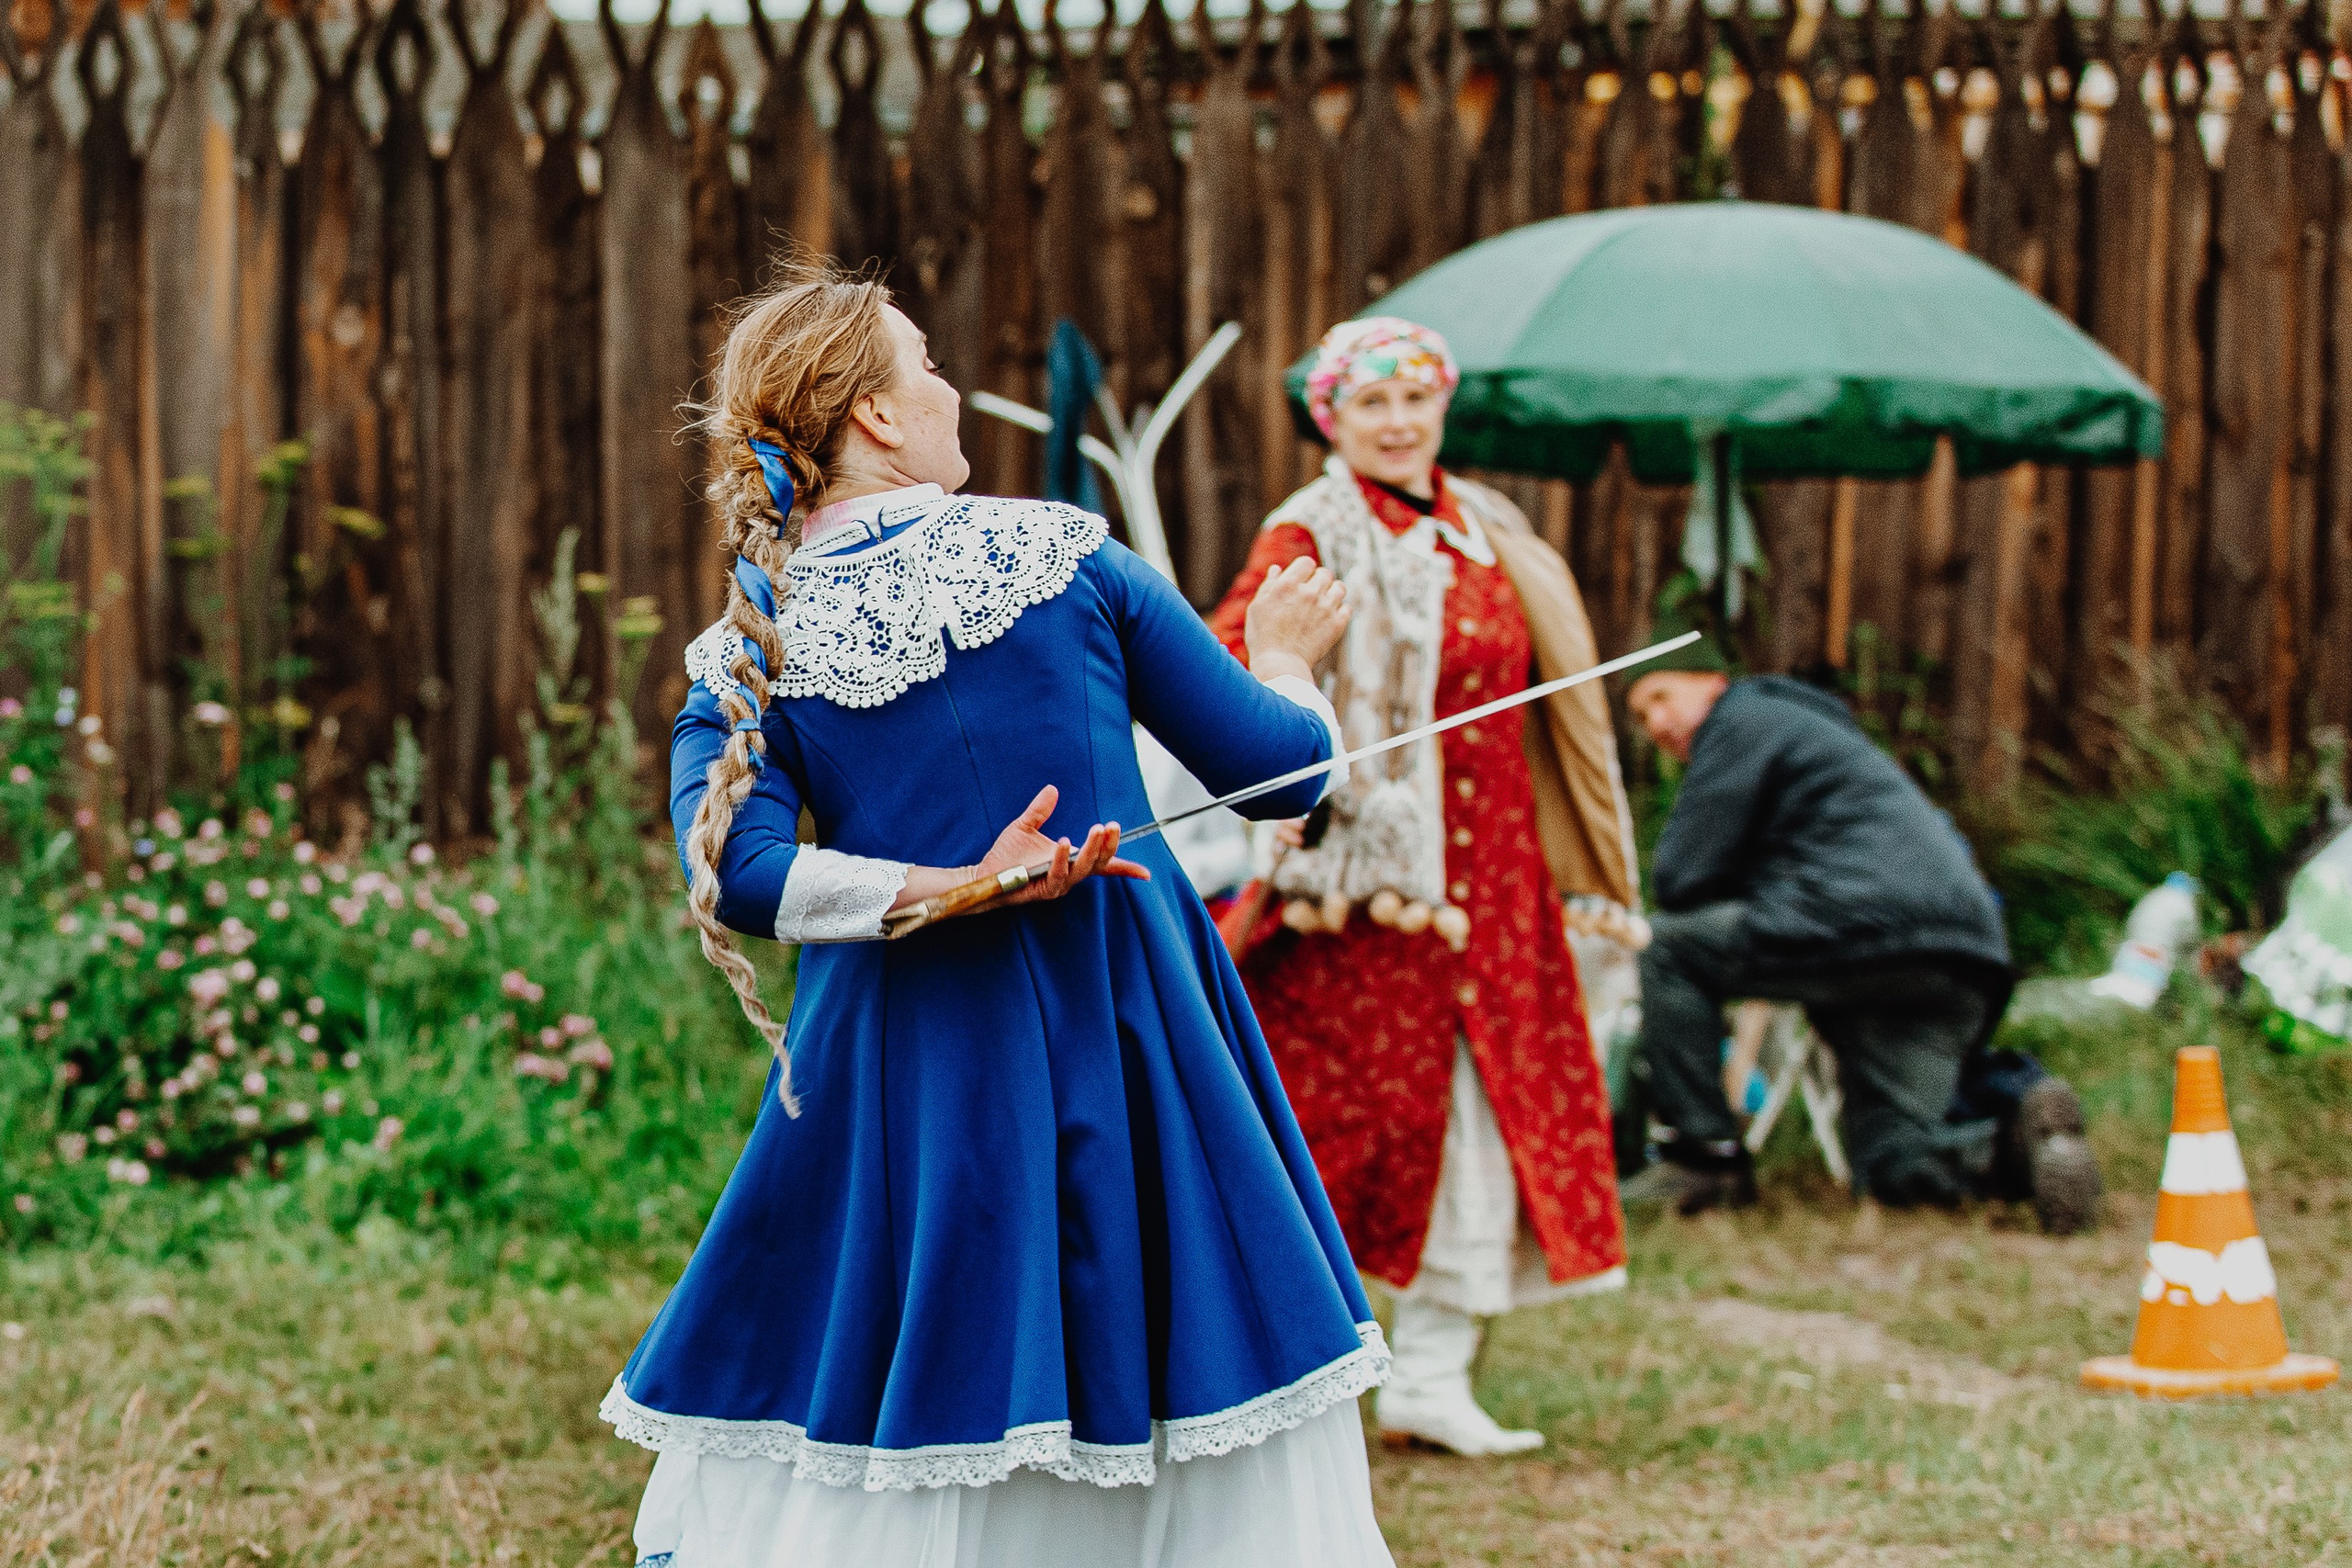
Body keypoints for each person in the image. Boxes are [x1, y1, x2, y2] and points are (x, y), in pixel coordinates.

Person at [604, 267, 1396, 1568]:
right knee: (1165, 1337)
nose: (951, 387)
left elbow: (736, 872)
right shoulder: (1067, 557)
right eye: (925, 365)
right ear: (869, 414)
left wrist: (936, 888)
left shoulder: (749, 642)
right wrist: (1292, 657)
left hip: (900, 1069)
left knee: (904, 1353)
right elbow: (1281, 771)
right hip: (1124, 1029)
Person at [1207, 318, 1636, 1458]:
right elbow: (1229, 659)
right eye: (1370, 406)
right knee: (1338, 1120)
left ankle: (1432, 1379)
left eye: (1415, 400)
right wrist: (1321, 740)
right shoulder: (1312, 529)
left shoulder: (1486, 524)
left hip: (1494, 877)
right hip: (1370, 880)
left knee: (1488, 1118)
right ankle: (1266, 1379)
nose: (1397, 424)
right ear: (1331, 421)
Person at [1616, 626, 2101, 1235]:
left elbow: (1681, 876)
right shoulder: (1821, 736)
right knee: (1892, 1160)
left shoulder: (1742, 718)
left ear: (1713, 680)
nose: (1655, 725)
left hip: (1860, 924)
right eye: (1640, 717)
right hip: (1957, 951)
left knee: (1667, 947)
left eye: (1660, 697)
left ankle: (1703, 1158)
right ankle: (2021, 1148)